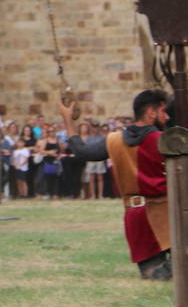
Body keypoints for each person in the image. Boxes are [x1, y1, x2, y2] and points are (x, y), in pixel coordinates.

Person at [61, 90, 173, 280]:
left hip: (135, 216)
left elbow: (82, 151)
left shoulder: (114, 140)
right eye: (163, 111)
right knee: (178, 267)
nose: (167, 116)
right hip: (167, 214)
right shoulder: (164, 140)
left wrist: (68, 121)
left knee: (154, 275)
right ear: (151, 113)